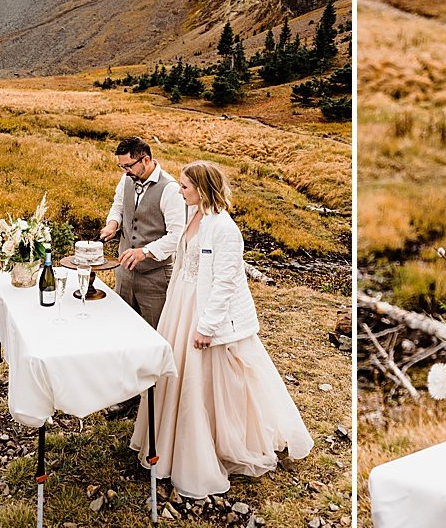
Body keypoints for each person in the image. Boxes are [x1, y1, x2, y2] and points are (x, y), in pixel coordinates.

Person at [130, 160, 313, 498]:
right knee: (177, 372)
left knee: (206, 379)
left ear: (202, 188)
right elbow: (176, 248)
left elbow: (226, 281)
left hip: (203, 308)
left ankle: (208, 445)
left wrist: (207, 326)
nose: (179, 191)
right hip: (181, 301)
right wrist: (145, 252)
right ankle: (169, 439)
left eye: (185, 186)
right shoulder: (191, 214)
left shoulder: (225, 228)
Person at [104, 136, 186, 330]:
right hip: (124, 273)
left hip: (155, 276)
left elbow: (177, 236)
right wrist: (112, 223)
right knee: (121, 328)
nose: (125, 171)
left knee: (155, 332)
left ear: (146, 160)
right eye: (122, 167)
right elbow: (118, 206)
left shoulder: (170, 189)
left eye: (128, 166)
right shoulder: (127, 179)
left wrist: (145, 252)